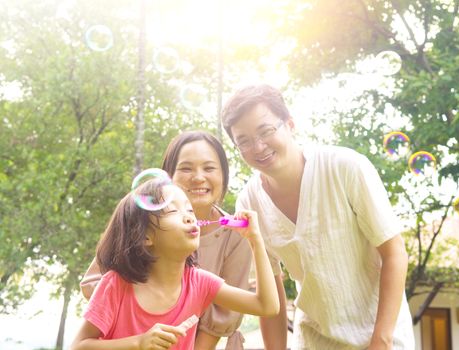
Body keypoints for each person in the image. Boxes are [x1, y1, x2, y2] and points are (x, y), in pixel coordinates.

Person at [221, 84, 415, 350]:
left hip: (381, 334)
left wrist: (381, 340)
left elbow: (394, 253)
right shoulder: (249, 202)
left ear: (290, 124)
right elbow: (271, 293)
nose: (258, 146)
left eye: (266, 131)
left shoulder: (346, 167)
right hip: (313, 338)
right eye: (243, 141)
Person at [80, 131, 253, 350]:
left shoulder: (236, 234)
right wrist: (138, 334)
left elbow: (223, 320)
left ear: (223, 175)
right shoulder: (143, 222)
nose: (198, 177)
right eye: (186, 168)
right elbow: (97, 284)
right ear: (168, 177)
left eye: (209, 168)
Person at [70, 179, 279, 350]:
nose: (189, 217)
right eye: (172, 211)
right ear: (145, 236)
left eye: (189, 210)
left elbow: (267, 306)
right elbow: (78, 346)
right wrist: (138, 342)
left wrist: (255, 240)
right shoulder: (115, 285)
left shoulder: (199, 283)